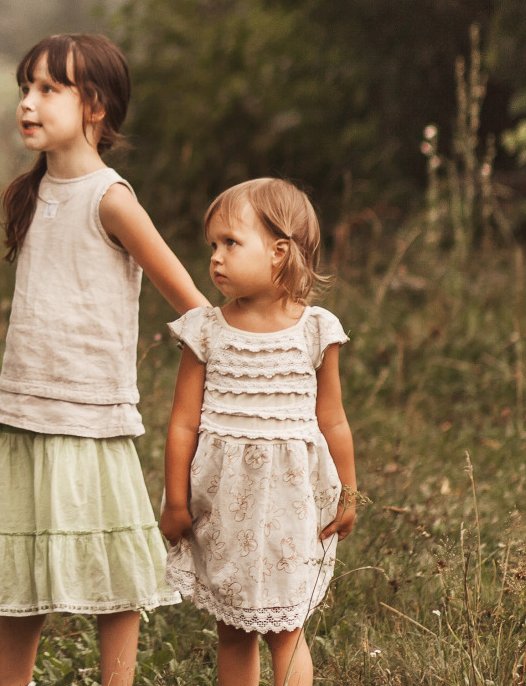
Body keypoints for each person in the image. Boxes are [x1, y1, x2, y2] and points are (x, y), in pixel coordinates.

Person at [0, 33, 209, 686]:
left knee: (114, 573)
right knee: (21, 571)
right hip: (24, 409)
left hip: (91, 416)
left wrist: (245, 368)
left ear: (94, 105)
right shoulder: (29, 194)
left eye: (47, 89)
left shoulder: (111, 198)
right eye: (24, 89)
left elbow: (189, 303)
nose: (28, 103)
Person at [159, 179, 359, 686]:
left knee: (287, 629)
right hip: (225, 506)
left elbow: (332, 419)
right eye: (213, 246)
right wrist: (177, 502)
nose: (216, 258)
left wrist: (349, 492)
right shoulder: (205, 330)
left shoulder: (315, 330)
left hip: (292, 505)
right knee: (232, 629)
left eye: (231, 243)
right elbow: (182, 422)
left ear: (278, 253)